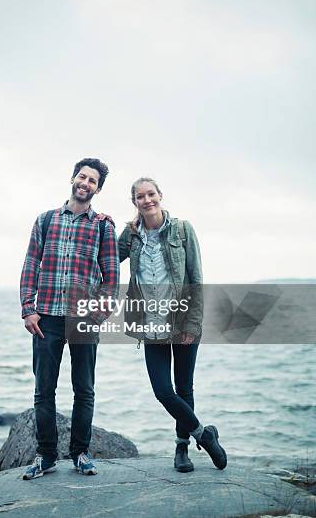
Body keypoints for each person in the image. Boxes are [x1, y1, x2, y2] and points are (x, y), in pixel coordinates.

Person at [118, 177, 227, 472]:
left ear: (160, 195)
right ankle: (205, 435)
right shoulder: (130, 235)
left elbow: (196, 278)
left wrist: (193, 324)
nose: (147, 200)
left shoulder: (182, 229)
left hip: (182, 321)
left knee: (184, 387)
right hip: (150, 324)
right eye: (140, 196)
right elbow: (106, 259)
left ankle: (182, 451)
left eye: (151, 194)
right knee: (163, 391)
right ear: (135, 202)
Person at [20, 158, 120, 479]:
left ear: (98, 189)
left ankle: (80, 453)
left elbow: (111, 274)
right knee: (43, 390)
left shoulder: (103, 225)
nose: (85, 183)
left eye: (92, 180)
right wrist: (28, 307)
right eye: (82, 177)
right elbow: (30, 264)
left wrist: (101, 311)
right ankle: (45, 456)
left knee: (84, 389)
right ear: (72, 179)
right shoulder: (46, 220)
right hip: (45, 316)